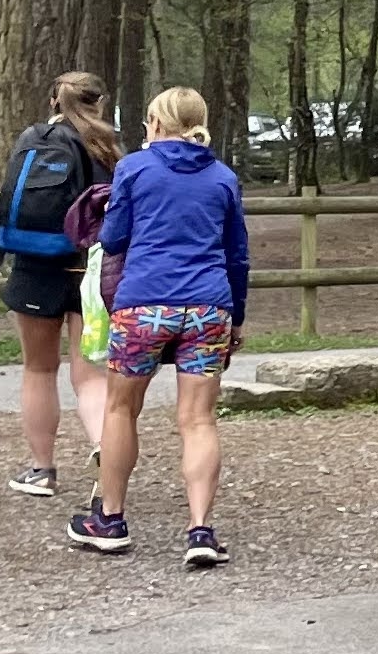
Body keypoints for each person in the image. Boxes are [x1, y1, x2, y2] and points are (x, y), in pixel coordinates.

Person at [77, 86, 251, 566]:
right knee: (198, 420)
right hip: (207, 306)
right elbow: (237, 255)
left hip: (144, 305)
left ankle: (109, 519)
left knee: (120, 410)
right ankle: (199, 530)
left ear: (155, 122)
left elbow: (113, 238)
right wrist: (235, 316)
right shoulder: (222, 178)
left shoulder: (133, 168)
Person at [0, 71, 122, 499]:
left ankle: (42, 470)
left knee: (38, 369)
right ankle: (107, 447)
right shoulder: (108, 148)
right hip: (90, 267)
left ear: (53, 101)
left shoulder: (34, 139)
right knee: (89, 376)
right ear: (99, 102)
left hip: (34, 265)